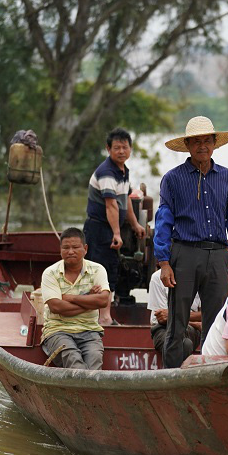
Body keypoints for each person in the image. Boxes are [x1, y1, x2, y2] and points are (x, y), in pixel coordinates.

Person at [154, 116, 228, 368]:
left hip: (218, 254)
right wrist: (164, 262)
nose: (202, 146)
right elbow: (164, 220)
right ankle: (170, 376)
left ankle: (208, 373)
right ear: (187, 146)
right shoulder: (173, 179)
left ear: (215, 144)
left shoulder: (226, 178)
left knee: (216, 319)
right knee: (177, 320)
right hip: (184, 253)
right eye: (196, 142)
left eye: (207, 141)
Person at [83, 127, 147, 325]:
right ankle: (103, 318)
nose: (121, 151)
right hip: (100, 229)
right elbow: (111, 205)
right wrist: (117, 233)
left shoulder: (123, 171)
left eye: (125, 147)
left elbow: (125, 199)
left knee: (110, 270)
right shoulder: (107, 173)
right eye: (117, 148)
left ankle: (103, 316)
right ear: (108, 149)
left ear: (130, 149)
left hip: (109, 228)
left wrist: (135, 224)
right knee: (101, 271)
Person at [39, 228, 110, 370]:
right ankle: (85, 391)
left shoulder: (97, 270)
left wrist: (71, 298)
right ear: (60, 250)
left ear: (85, 249)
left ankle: (86, 390)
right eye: (66, 247)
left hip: (89, 330)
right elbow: (57, 308)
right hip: (57, 330)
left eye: (75, 247)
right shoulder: (50, 273)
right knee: (72, 358)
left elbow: (103, 301)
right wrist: (90, 301)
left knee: (95, 360)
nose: (70, 251)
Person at [146, 268, 202, 357]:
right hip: (163, 329)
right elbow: (162, 318)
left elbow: (207, 314)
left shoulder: (200, 276)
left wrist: (173, 315)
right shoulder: (158, 277)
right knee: (182, 344)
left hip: (190, 329)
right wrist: (196, 323)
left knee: (185, 344)